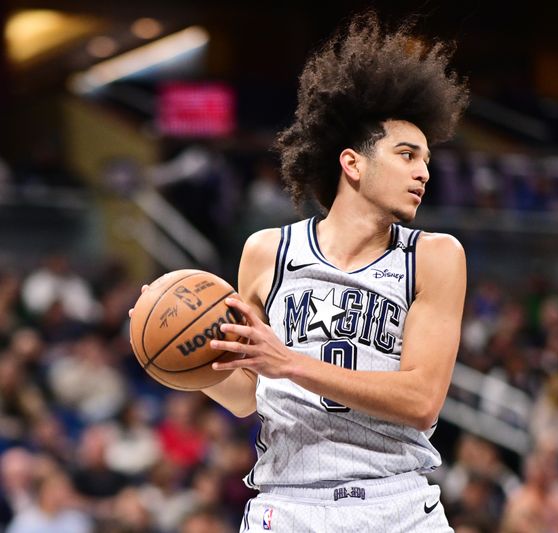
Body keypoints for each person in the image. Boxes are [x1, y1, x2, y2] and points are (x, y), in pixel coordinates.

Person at [135, 11, 468, 532]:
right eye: (407, 155)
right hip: (288, 504)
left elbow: (422, 401)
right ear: (353, 163)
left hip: (397, 503)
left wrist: (288, 362)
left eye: (426, 159)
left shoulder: (435, 255)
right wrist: (183, 358)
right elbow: (247, 395)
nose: (423, 171)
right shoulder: (266, 251)